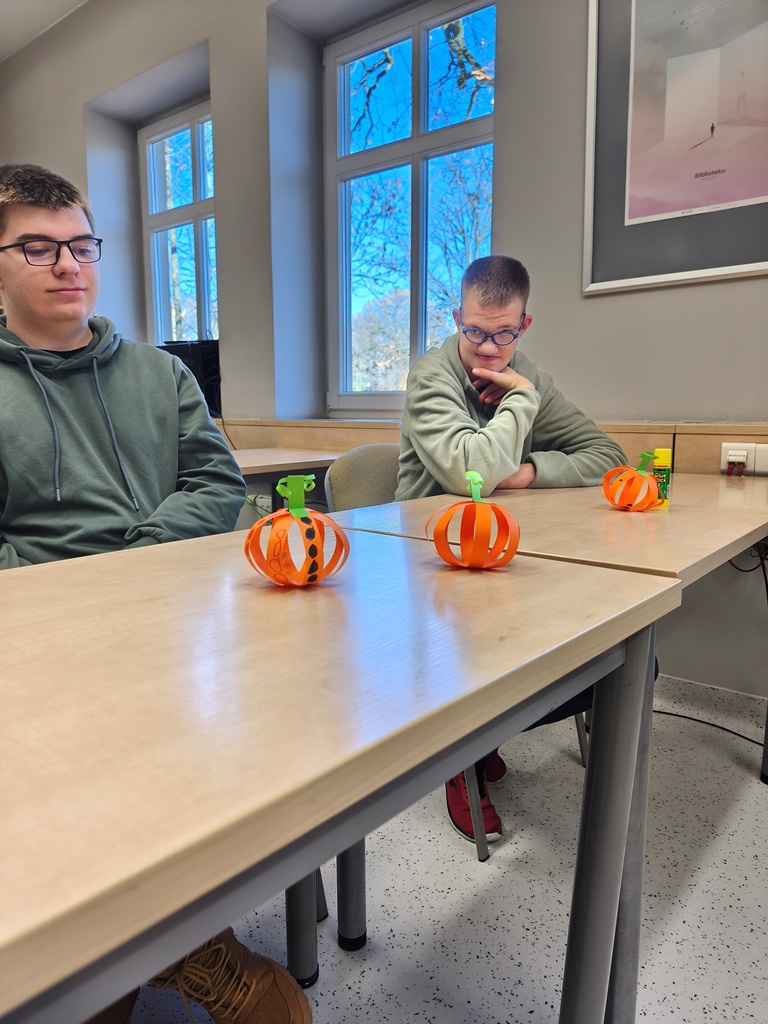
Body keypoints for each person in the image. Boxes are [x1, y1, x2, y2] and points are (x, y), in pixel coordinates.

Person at [0, 164, 311, 1024]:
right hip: (41, 653)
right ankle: (162, 954)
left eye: (81, 244)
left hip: (174, 638)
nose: (69, 264)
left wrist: (136, 559)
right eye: (38, 248)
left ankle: (167, 940)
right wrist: (74, 598)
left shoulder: (162, 374)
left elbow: (216, 485)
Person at [396, 254, 626, 844]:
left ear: (525, 324)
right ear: (457, 317)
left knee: (609, 646)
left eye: (503, 333)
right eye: (475, 330)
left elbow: (608, 456)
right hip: (429, 554)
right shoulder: (432, 376)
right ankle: (460, 751)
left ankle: (485, 732)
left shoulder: (527, 375)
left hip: (504, 547)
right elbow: (470, 468)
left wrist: (527, 472)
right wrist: (522, 402)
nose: (488, 348)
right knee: (480, 641)